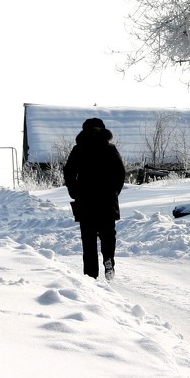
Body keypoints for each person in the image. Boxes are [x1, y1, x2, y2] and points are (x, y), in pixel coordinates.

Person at [62, 117, 127, 280]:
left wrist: (74, 191)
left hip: (85, 199)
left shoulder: (79, 149)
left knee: (88, 239)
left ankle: (91, 276)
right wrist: (114, 191)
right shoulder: (110, 149)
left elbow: (68, 172)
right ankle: (108, 259)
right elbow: (120, 173)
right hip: (107, 199)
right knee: (108, 234)